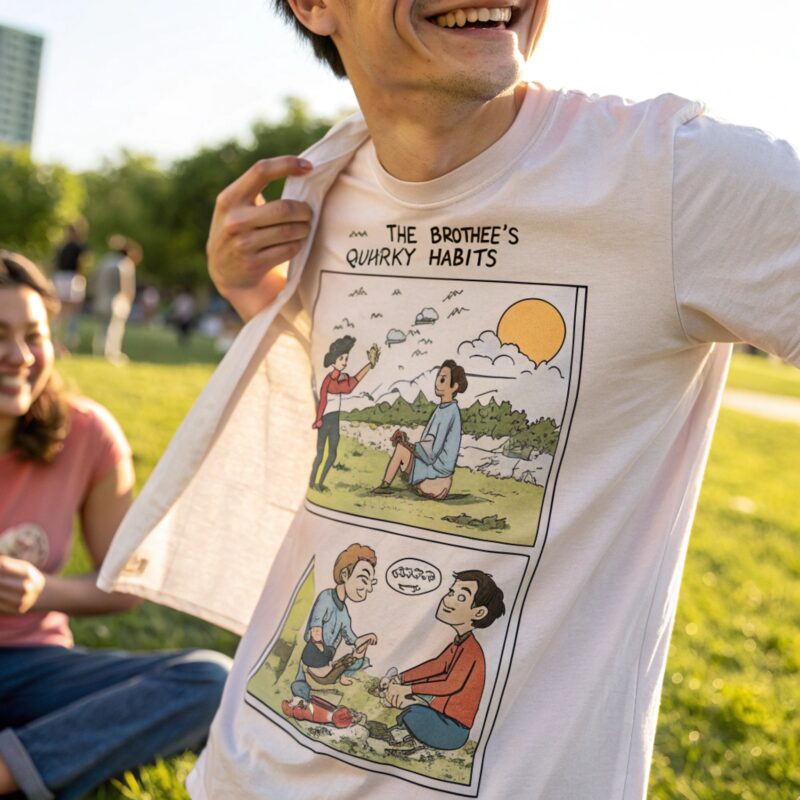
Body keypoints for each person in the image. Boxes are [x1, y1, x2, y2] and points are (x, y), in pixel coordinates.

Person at [97, 1, 800, 798]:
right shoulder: (321, 188)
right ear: (314, 6)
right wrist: (251, 288)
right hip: (251, 766)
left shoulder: (671, 178)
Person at [0, 252, 231, 800]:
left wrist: (41, 592)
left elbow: (123, 586)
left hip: (36, 669)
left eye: (34, 335)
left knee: (212, 681)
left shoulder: (87, 435)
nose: (19, 355)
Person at [383, 570, 505, 751]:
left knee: (413, 712)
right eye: (451, 592)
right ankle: (408, 727)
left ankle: (409, 736)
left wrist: (408, 689)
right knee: (417, 696)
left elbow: (450, 684)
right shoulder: (459, 643)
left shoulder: (471, 650)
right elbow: (437, 665)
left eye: (461, 598)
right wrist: (401, 678)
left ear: (478, 612)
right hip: (440, 715)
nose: (448, 600)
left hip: (452, 730)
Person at [286, 542, 378, 704]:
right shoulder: (326, 597)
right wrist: (322, 649)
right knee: (304, 680)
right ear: (344, 575)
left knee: (360, 659)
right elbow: (316, 627)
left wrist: (366, 639)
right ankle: (307, 688)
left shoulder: (344, 614)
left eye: (372, 582)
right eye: (364, 580)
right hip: (315, 655)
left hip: (327, 661)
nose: (369, 588)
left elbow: (352, 638)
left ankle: (335, 674)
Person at [373, 359, 467, 500]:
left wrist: (409, 445)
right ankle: (386, 485)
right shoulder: (442, 409)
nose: (437, 383)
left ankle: (385, 485)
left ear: (454, 387)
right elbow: (429, 445)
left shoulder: (450, 412)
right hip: (433, 470)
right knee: (401, 447)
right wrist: (408, 444)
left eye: (442, 379)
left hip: (438, 476)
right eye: (437, 378)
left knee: (400, 449)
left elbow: (433, 451)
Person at [309, 335, 379, 490]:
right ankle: (312, 482)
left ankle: (320, 483)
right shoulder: (329, 379)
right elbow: (324, 400)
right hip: (325, 420)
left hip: (335, 420)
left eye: (346, 358)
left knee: (332, 455)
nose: (345, 362)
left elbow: (351, 384)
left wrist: (369, 365)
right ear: (334, 361)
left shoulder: (343, 377)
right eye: (342, 358)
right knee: (320, 455)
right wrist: (318, 419)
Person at [92, 235, 140, 365]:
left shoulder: (105, 261)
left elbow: (94, 278)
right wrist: (128, 300)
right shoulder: (125, 264)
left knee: (102, 327)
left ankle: (99, 351)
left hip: (101, 298)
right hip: (116, 300)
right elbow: (126, 286)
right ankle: (110, 352)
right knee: (114, 328)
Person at [51, 221, 90, 353]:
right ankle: (59, 340)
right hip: (67, 278)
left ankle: (65, 339)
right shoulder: (65, 246)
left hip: (69, 277)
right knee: (62, 310)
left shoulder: (76, 247)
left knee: (69, 311)